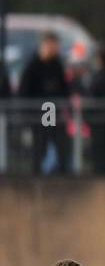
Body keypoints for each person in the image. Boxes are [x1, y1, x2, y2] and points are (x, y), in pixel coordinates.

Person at [17, 32, 71, 173]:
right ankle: (37, 174)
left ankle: (62, 173)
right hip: (39, 114)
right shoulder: (33, 66)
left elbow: (64, 90)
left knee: (60, 144)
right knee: (40, 145)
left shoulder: (57, 65)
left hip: (53, 113)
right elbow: (24, 92)